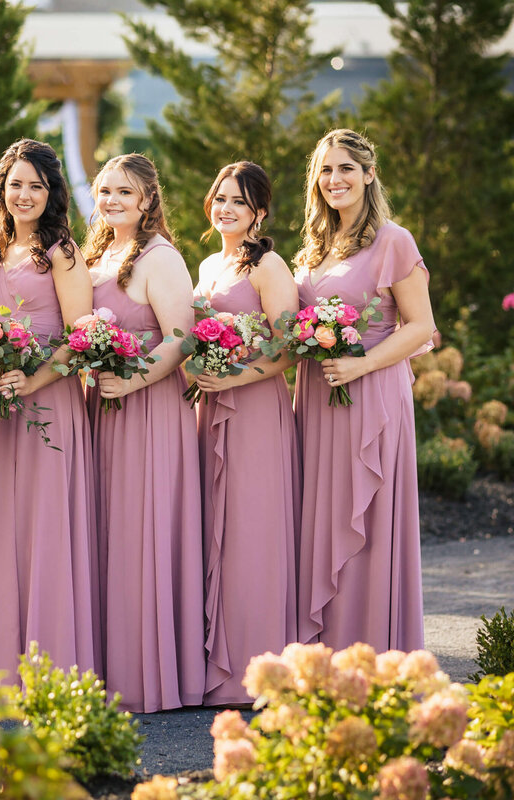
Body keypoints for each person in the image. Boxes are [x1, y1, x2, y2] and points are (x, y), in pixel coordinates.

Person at [293, 129, 434, 652]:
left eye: (346, 168)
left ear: (369, 174)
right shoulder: (313, 246)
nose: (335, 180)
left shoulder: (393, 240)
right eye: (326, 171)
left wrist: (363, 365)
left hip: (369, 394)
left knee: (366, 520)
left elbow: (421, 325)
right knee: (321, 517)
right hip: (317, 395)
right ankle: (321, 653)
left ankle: (371, 649)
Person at [0, 139, 99, 682]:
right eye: (16, 184)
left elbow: (80, 337)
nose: (24, 195)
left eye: (36, 186)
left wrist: (33, 378)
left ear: (53, 193)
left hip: (49, 404)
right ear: (1, 189)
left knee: (45, 528)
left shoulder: (63, 253)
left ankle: (49, 668)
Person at [84, 154, 204, 712]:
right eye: (104, 190)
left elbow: (182, 338)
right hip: (103, 411)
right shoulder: (96, 254)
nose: (112, 201)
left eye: (124, 192)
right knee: (110, 534)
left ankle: (148, 675)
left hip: (150, 408)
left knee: (142, 532)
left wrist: (131, 383)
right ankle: (108, 666)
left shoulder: (161, 257)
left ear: (148, 200)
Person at [192, 162, 299, 705]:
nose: (226, 209)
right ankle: (216, 660)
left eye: (238, 201)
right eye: (220, 199)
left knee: (252, 531)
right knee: (216, 526)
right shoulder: (210, 264)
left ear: (259, 212)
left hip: (255, 409)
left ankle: (259, 667)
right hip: (211, 407)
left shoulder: (269, 265)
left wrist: (237, 374)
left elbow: (286, 351)